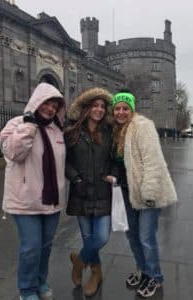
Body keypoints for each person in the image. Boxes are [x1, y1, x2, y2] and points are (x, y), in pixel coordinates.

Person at [0, 83, 66, 300]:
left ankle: (40, 281)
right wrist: (29, 126)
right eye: (47, 103)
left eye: (55, 106)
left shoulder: (57, 130)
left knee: (45, 246)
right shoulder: (16, 123)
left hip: (52, 201)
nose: (50, 109)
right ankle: (26, 290)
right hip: (24, 200)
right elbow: (12, 153)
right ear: (37, 101)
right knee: (31, 247)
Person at [111, 90, 177, 298]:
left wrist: (148, 191)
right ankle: (143, 270)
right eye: (117, 109)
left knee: (146, 237)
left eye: (125, 108)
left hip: (148, 192)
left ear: (132, 109)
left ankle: (155, 277)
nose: (121, 112)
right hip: (127, 191)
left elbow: (153, 161)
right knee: (132, 236)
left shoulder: (143, 126)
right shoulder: (117, 131)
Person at [65, 87, 114, 297]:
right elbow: (64, 161)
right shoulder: (72, 131)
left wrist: (112, 174)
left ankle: (79, 261)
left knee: (101, 236)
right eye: (95, 105)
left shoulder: (110, 132)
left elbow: (116, 159)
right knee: (88, 238)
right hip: (81, 192)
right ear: (86, 108)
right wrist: (75, 177)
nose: (99, 109)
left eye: (103, 106)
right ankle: (96, 274)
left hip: (103, 192)